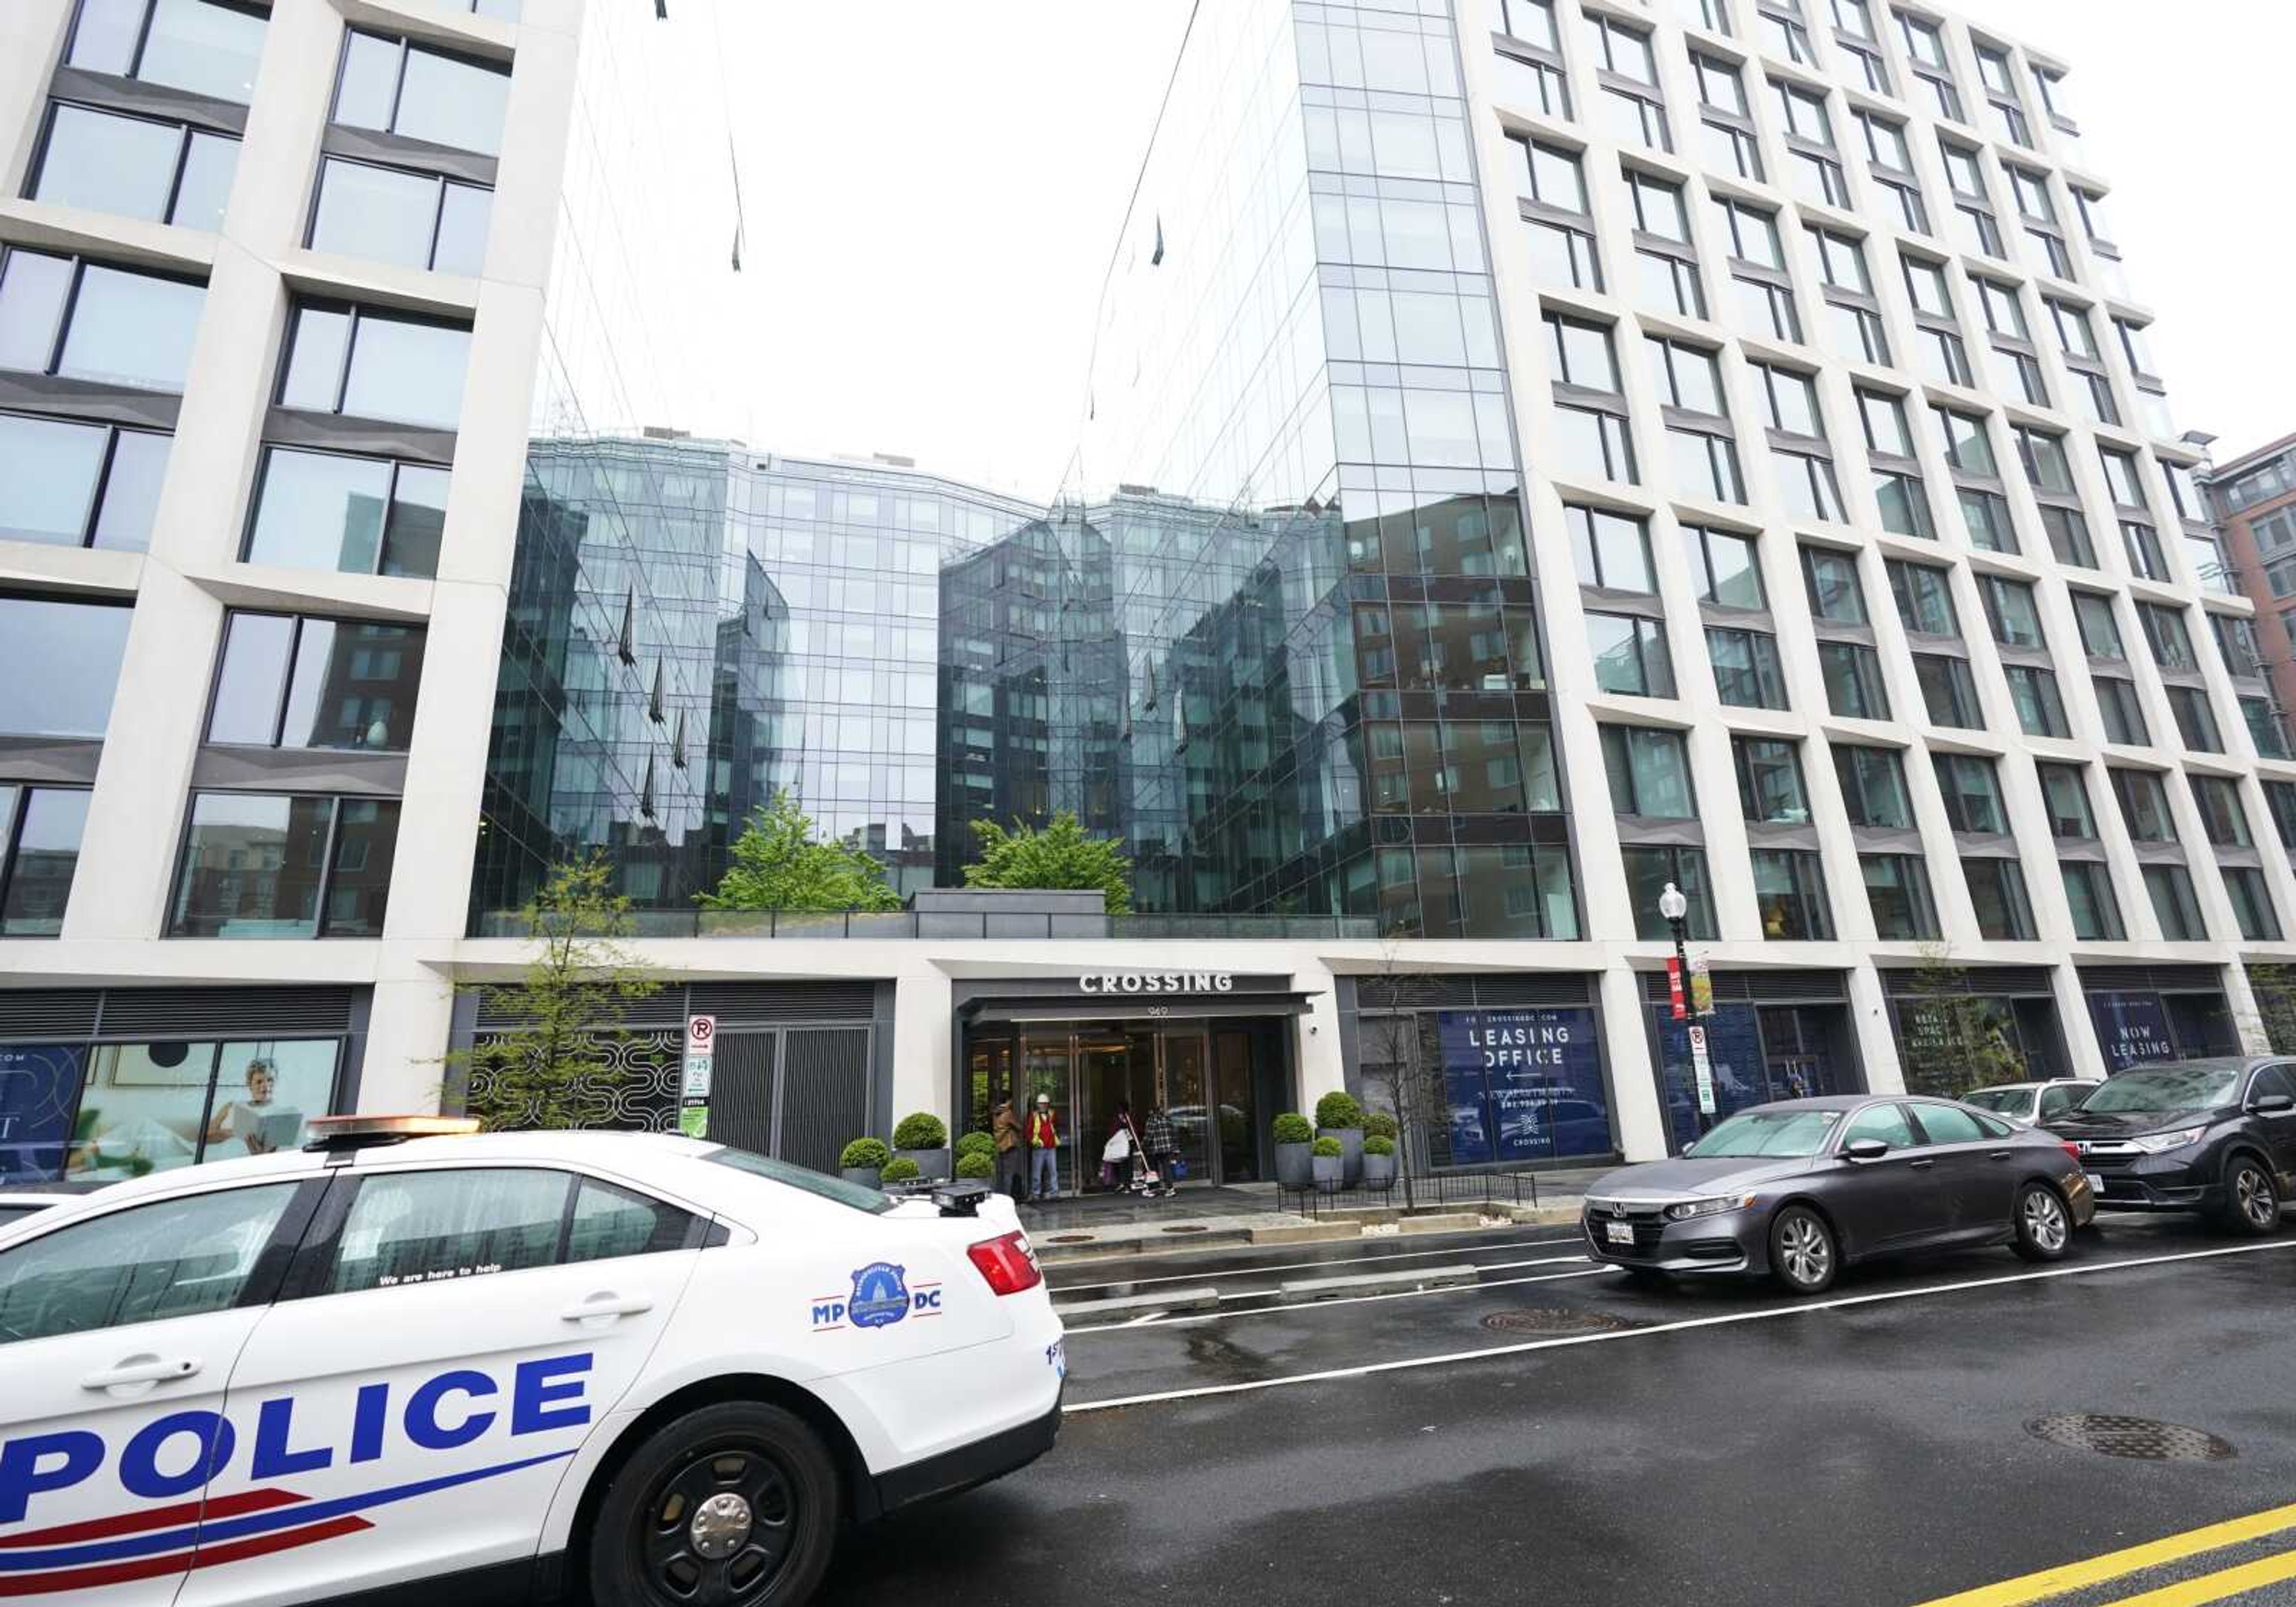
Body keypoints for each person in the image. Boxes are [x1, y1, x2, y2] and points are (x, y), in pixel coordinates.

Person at [1027, 1093, 1061, 1202]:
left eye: (1045, 1104)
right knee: (1037, 1172)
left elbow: (1057, 1126)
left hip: (1051, 1147)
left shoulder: (1052, 1114)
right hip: (1038, 1148)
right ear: (1038, 1104)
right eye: (1042, 1104)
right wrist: (1033, 1142)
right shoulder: (1034, 1115)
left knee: (1053, 1171)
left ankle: (1054, 1193)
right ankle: (1036, 1194)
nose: (1043, 1106)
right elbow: (1028, 1131)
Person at [1140, 1104, 1179, 1199]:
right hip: (1168, 1148)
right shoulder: (1167, 1119)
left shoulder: (1152, 1120)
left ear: (1152, 1111)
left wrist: (1143, 1146)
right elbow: (1173, 1134)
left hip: (1155, 1149)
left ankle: (1152, 1189)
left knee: (1153, 1169)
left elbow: (1149, 1136)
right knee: (1167, 1168)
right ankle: (1170, 1189)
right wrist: (1175, 1147)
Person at [991, 1097, 1025, 1201]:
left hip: (999, 1147)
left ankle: (999, 1199)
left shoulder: (995, 1114)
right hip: (1009, 1147)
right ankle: (1007, 1200)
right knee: (1008, 1175)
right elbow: (1019, 1127)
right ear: (1007, 1102)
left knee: (1000, 1175)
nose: (1011, 1102)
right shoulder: (1008, 1113)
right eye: (1010, 1101)